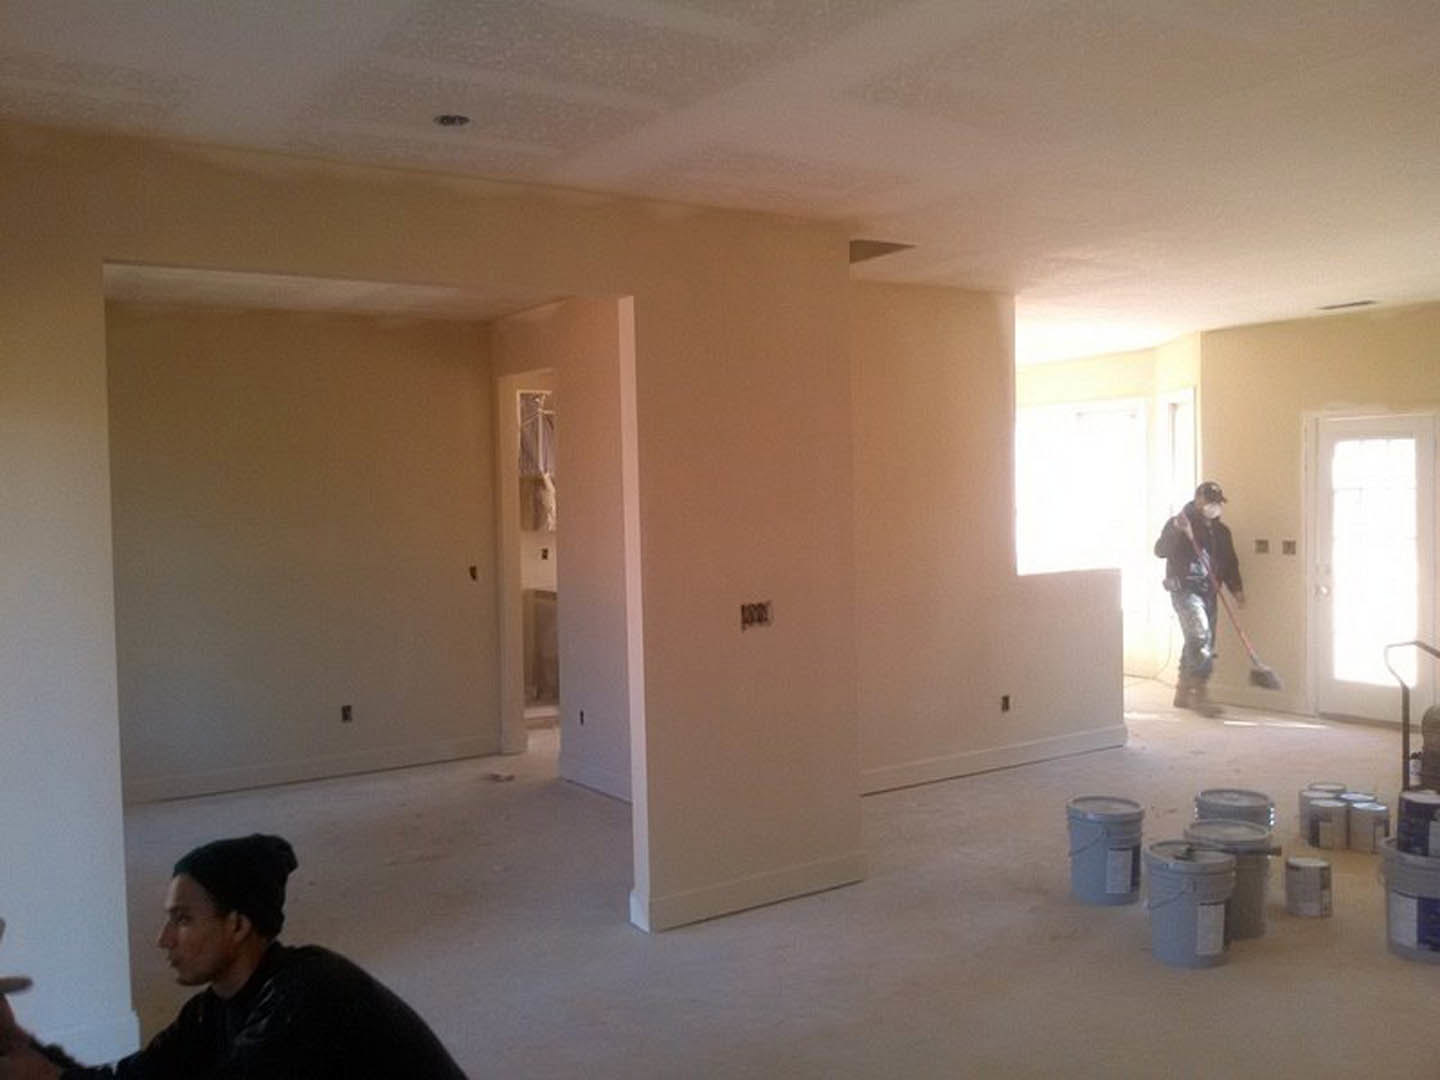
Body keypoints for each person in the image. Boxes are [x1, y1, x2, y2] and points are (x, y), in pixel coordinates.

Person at [0, 834, 468, 1079]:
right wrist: (22, 1043)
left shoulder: (309, 994)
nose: (164, 939)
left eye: (182, 919)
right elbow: (136, 1076)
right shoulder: (213, 1010)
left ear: (239, 925)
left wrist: (41, 1075)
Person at [1154, 481, 1244, 716]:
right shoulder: (1180, 523)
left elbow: (1230, 561)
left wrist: (1236, 589)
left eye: (1217, 502)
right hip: (1185, 589)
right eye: (1210, 501)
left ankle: (1183, 691)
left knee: (1201, 640)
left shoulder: (1222, 532)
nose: (1214, 506)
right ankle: (1199, 693)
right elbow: (1160, 550)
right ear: (1198, 498)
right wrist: (1176, 529)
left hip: (1210, 590)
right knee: (1199, 635)